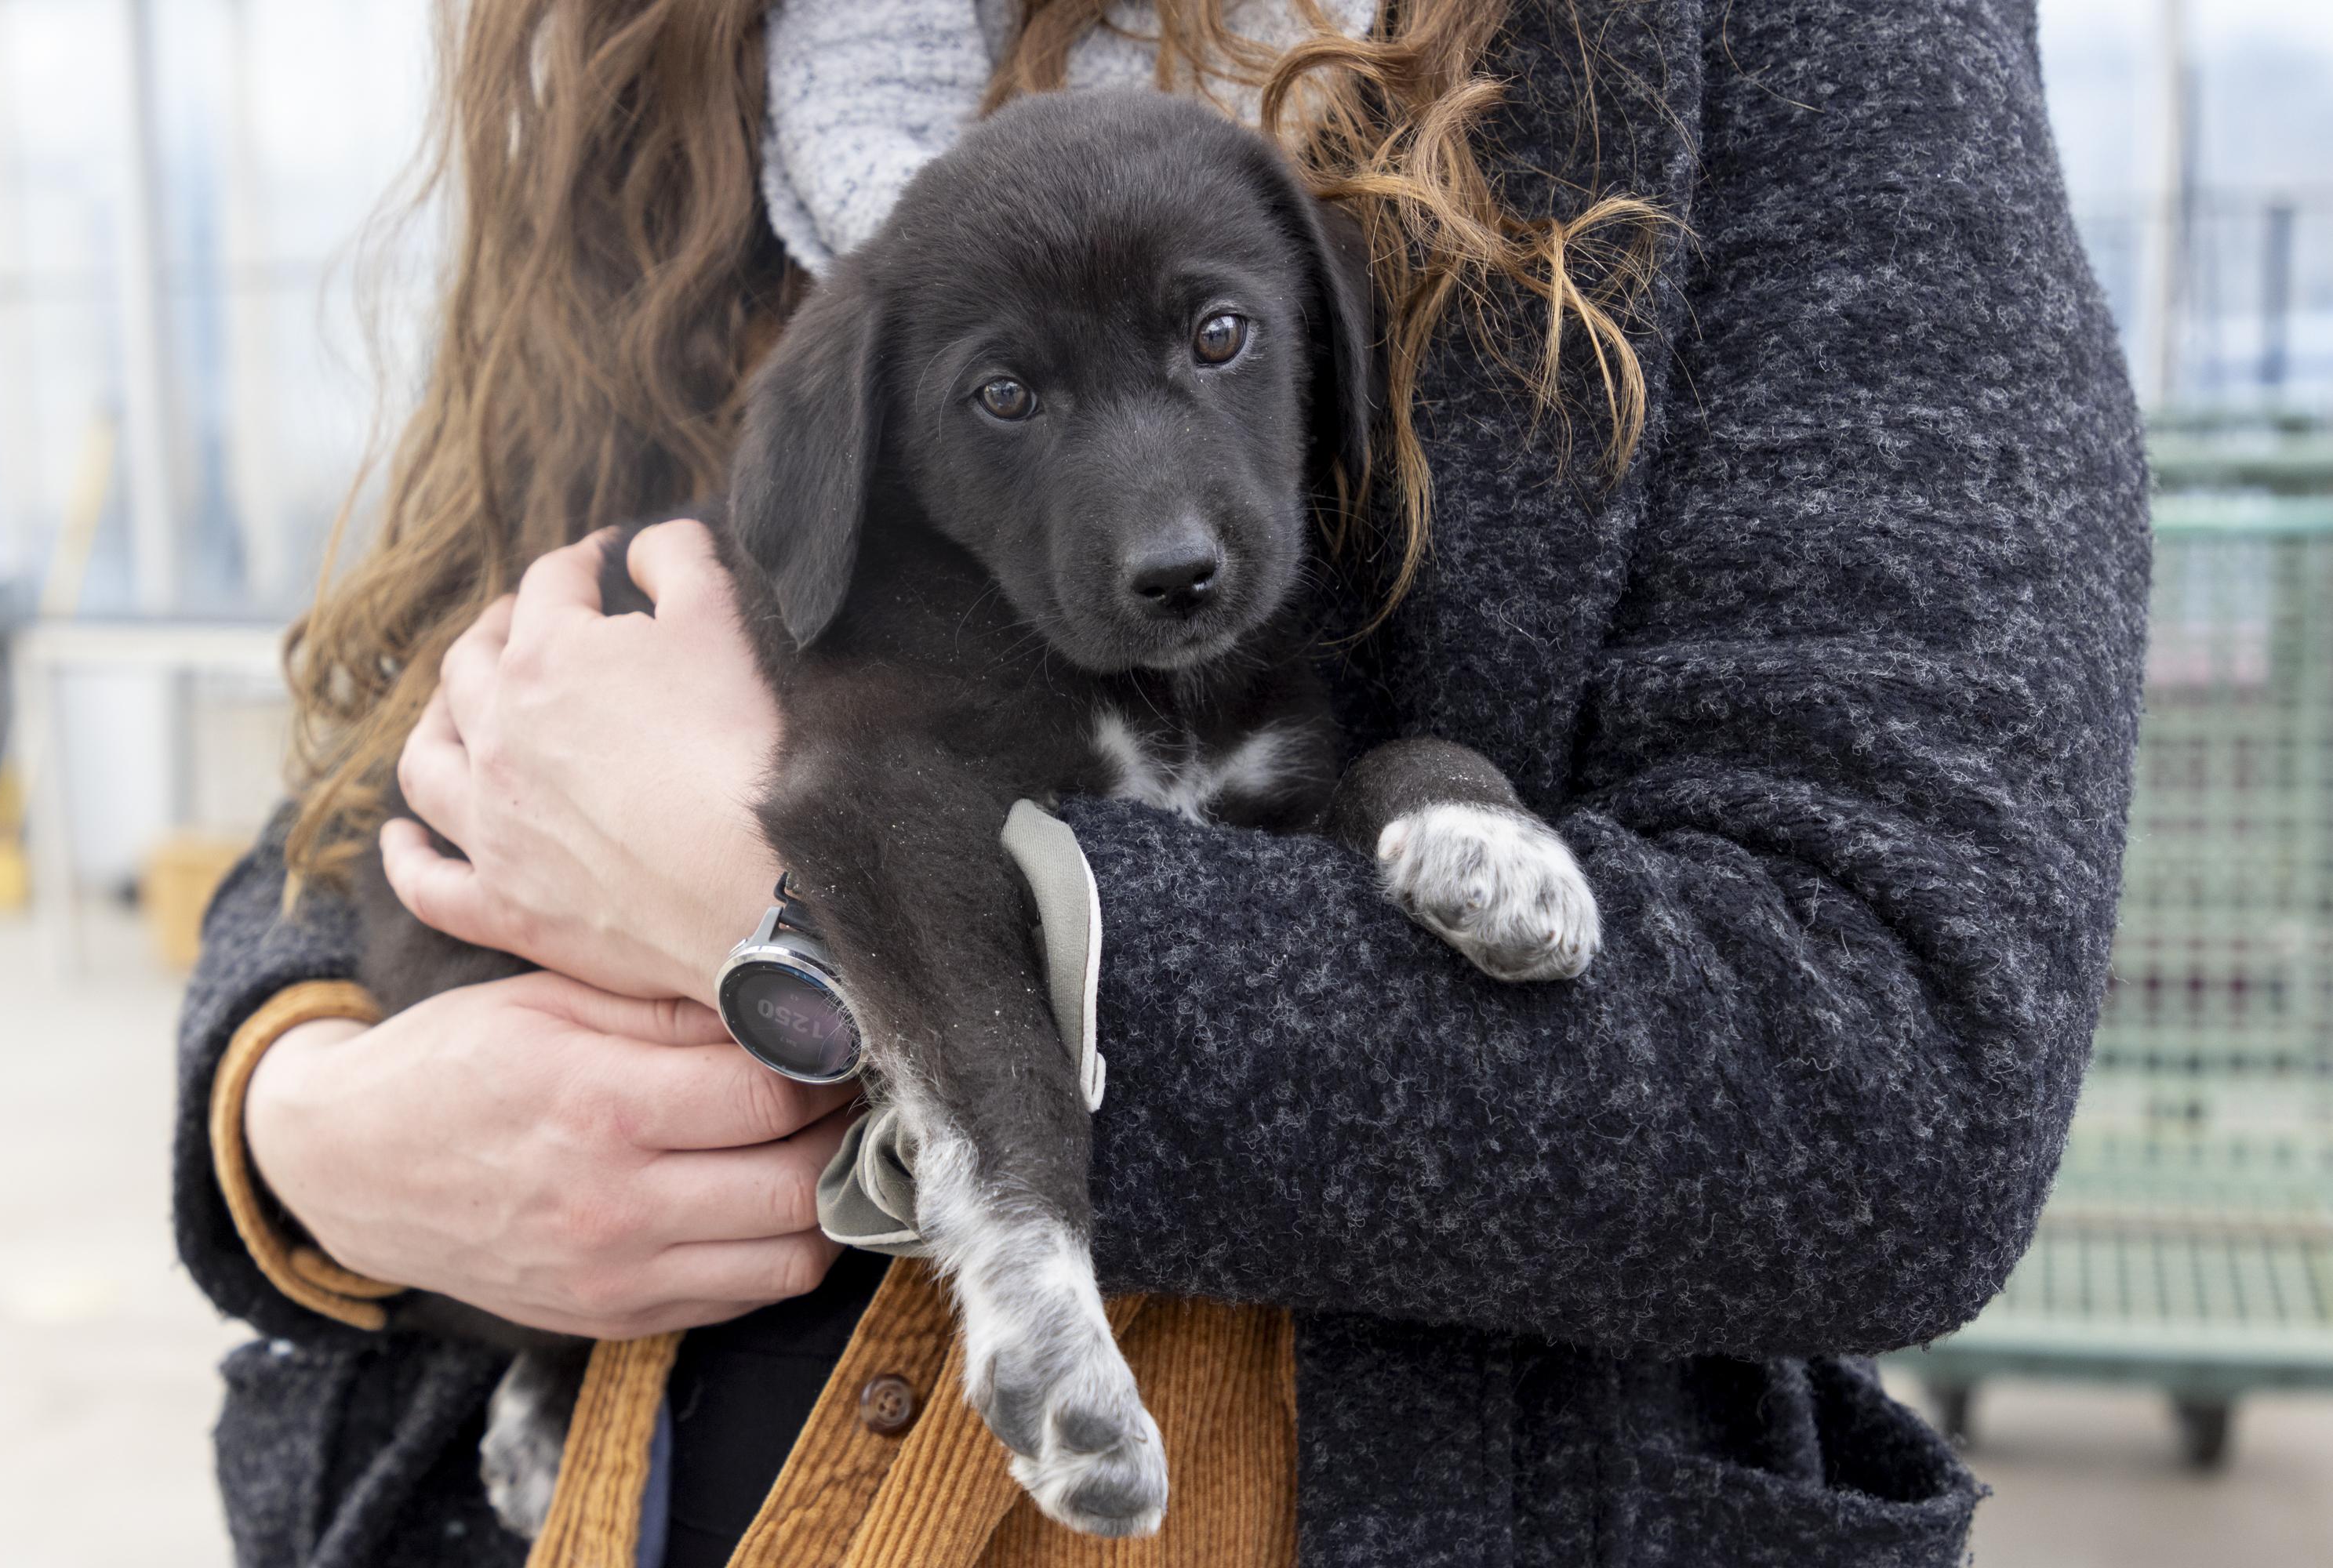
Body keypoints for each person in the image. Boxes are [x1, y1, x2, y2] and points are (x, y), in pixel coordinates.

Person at [173, 1, 2150, 1565]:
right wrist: (307, 1128)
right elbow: (394, 744)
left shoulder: (1785, 48)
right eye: (1017, 395)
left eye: (1219, 338)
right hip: (620, 1492)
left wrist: (798, 904)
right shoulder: (664, 59)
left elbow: (1892, 1075)